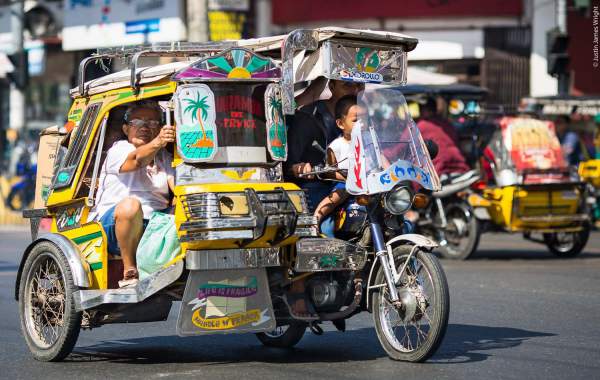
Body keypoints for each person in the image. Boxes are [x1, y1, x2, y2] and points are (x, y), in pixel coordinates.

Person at [283, 79, 363, 321]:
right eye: (349, 85)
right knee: (313, 226)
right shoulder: (309, 116)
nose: (356, 90)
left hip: (355, 185)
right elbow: (290, 162)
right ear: (333, 85)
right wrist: (299, 167)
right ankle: (297, 289)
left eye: (359, 86)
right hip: (316, 183)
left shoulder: (363, 118)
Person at [91, 100, 175, 287]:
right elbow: (136, 160)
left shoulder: (164, 157)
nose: (145, 127)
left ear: (159, 127)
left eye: (152, 123)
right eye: (137, 122)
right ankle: (130, 270)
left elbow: (177, 185)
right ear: (126, 129)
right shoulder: (120, 149)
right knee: (131, 205)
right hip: (116, 227)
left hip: (155, 226)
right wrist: (159, 141)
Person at [313, 95, 358, 227]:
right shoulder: (337, 145)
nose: (361, 124)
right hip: (345, 183)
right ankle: (316, 218)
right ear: (340, 124)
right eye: (355, 120)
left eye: (364, 119)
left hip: (368, 183)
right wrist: (347, 179)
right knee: (338, 194)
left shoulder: (369, 142)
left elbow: (381, 161)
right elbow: (329, 171)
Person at [416, 98, 470, 176]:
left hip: (440, 168)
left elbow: (402, 144)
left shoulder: (421, 125)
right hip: (459, 163)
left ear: (425, 110)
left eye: (421, 109)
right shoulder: (446, 123)